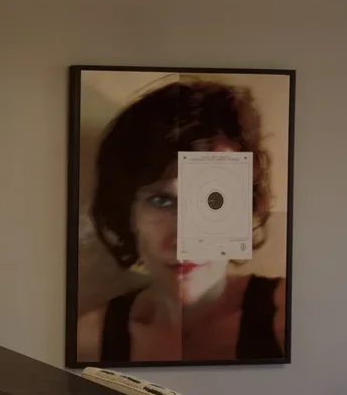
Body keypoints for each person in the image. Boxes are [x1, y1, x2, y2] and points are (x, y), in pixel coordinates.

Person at [75, 79, 285, 363]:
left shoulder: (290, 314)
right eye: (162, 201)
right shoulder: (88, 340)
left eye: (215, 199)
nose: (187, 237)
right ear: (129, 214)